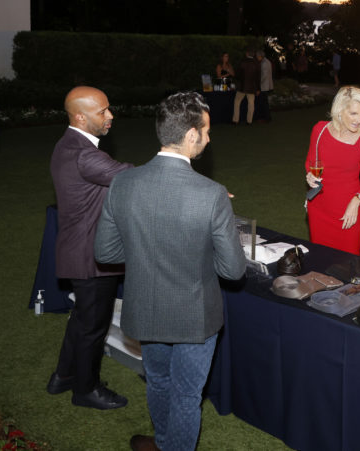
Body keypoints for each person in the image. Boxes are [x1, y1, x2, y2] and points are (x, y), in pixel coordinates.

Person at [94, 92, 246, 451]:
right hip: (195, 316)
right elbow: (233, 270)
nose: (209, 139)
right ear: (191, 135)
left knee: (158, 382)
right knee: (186, 397)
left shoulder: (123, 183)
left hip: (145, 307)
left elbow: (106, 251)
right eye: (206, 132)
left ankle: (163, 443)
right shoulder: (212, 195)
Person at [47, 86, 133, 410]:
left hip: (77, 249)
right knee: (92, 327)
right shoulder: (86, 154)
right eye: (102, 112)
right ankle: (86, 389)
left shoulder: (67, 144)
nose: (110, 116)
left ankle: (64, 376)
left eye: (109, 108)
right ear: (81, 117)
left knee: (82, 319)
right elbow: (131, 177)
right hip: (92, 257)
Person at [304, 86, 360, 254]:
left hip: (347, 210)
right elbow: (310, 161)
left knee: (349, 263)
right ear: (339, 111)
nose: (359, 119)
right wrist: (309, 175)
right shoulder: (320, 129)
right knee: (320, 259)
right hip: (319, 206)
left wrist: (357, 200)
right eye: (353, 113)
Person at [232, 49, 260, 125]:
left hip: (242, 86)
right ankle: (249, 121)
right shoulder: (256, 63)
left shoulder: (242, 62)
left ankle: (235, 120)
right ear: (253, 54)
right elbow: (258, 78)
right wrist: (258, 89)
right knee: (251, 104)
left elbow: (237, 75)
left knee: (237, 102)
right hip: (252, 87)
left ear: (247, 54)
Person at [255, 49, 273, 122]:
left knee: (263, 103)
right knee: (264, 102)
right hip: (266, 85)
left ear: (260, 56)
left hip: (264, 86)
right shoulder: (267, 61)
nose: (256, 58)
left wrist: (258, 85)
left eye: (257, 56)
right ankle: (266, 117)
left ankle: (266, 118)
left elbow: (264, 76)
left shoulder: (264, 63)